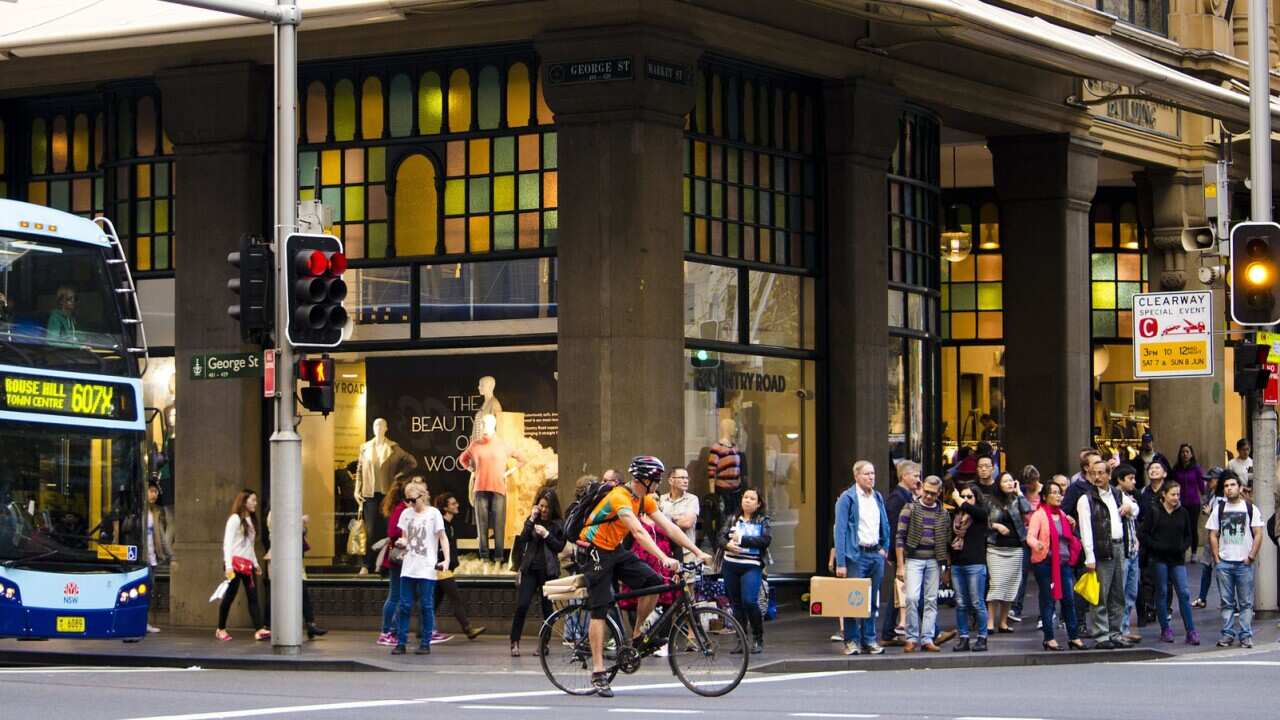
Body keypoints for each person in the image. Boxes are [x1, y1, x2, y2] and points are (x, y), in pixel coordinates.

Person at [577, 456, 710, 698]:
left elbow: (669, 528)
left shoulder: (644, 499)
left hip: (614, 549)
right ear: (644, 479)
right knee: (601, 607)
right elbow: (638, 532)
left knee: (655, 583)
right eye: (656, 480)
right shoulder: (619, 497)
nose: (658, 484)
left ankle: (636, 635)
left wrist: (698, 551)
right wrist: (663, 558)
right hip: (593, 549)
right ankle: (598, 672)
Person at [1077, 455, 1137, 649]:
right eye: (1093, 473)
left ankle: (1115, 632)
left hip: (1120, 546)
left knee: (1118, 593)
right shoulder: (1086, 499)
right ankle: (1102, 635)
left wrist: (1129, 507)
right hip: (1101, 549)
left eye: (1101, 473)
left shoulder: (1117, 494)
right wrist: (1089, 556)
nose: (1097, 477)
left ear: (1109, 475)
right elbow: (1086, 530)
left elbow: (1136, 509)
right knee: (1101, 595)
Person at [835, 460, 891, 656]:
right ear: (856, 476)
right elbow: (840, 531)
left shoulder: (877, 497)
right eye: (867, 474)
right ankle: (851, 640)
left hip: (875, 554)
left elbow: (885, 523)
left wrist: (884, 547)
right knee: (853, 600)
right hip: (856, 555)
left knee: (872, 600)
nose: (871, 477)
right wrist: (841, 562)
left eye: (873, 473)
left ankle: (869, 640)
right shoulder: (847, 498)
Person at [1205, 471, 1264, 648]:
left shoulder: (1250, 508)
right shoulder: (1219, 509)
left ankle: (1245, 635)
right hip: (1225, 562)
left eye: (1232, 485)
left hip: (1244, 563)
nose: (1229, 489)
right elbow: (1213, 534)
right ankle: (1227, 634)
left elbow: (1258, 533)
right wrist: (1217, 557)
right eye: (1226, 486)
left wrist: (1251, 555)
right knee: (1226, 602)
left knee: (1246, 602)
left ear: (1239, 487)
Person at [391, 480, 449, 655]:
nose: (410, 504)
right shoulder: (406, 514)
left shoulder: (434, 514)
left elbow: (442, 537)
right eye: (407, 500)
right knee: (405, 605)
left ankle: (425, 642)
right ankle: (401, 642)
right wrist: (402, 543)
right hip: (409, 566)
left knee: (426, 605)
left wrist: (446, 560)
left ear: (422, 497)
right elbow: (405, 537)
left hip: (427, 566)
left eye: (413, 500)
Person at [895, 475, 950, 653]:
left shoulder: (943, 513)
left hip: (934, 559)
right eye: (926, 492)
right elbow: (899, 537)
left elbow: (946, 541)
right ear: (922, 488)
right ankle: (911, 637)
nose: (928, 496)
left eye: (933, 493)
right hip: (914, 558)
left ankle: (927, 638)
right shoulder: (910, 508)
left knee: (931, 600)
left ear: (939, 493)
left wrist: (946, 566)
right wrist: (900, 565)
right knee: (911, 598)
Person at [1026, 481, 1083, 650]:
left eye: (1060, 493)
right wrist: (1037, 545)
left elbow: (1068, 536)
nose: (1058, 496)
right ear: (1045, 496)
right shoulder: (1039, 515)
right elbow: (1030, 536)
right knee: (1048, 601)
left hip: (1063, 563)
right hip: (1045, 563)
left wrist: (1072, 523)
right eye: (1054, 493)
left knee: (1068, 600)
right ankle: (1049, 638)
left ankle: (1073, 637)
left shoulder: (1063, 515)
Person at [1138, 481, 1197, 645]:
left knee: (1184, 593)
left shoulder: (1183, 512)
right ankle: (1165, 628)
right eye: (1173, 494)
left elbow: (1188, 535)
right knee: (1162, 592)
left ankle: (1191, 630)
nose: (1176, 498)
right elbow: (1143, 534)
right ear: (1164, 494)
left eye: (1178, 494)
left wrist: (1183, 547)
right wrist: (1156, 546)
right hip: (1159, 559)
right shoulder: (1154, 511)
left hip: (1177, 559)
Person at [510, 488, 566, 656]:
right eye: (541, 506)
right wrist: (531, 519)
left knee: (547, 609)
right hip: (530, 569)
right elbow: (524, 537)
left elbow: (560, 546)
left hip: (548, 572)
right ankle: (514, 642)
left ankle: (544, 644)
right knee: (522, 605)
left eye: (547, 507)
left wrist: (547, 535)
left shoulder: (558, 524)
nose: (543, 510)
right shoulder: (533, 520)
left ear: (552, 508)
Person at [720, 488, 771, 654]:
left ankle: (758, 637)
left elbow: (764, 540)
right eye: (745, 497)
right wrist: (727, 544)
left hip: (751, 565)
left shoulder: (763, 520)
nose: (747, 500)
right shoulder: (733, 518)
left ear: (758, 504)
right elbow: (720, 537)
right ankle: (741, 640)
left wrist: (741, 539)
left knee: (749, 601)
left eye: (752, 498)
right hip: (730, 565)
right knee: (736, 604)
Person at [432, 492, 485, 644]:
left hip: (445, 567)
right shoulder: (441, 525)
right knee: (455, 598)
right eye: (453, 504)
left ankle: (424, 629)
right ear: (445, 508)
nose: (457, 505)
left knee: (434, 601)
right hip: (442, 568)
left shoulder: (449, 525)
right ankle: (468, 629)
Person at [216, 489, 268, 642]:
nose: (255, 503)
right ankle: (220, 628)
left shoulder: (251, 520)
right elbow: (227, 543)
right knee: (230, 596)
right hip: (234, 565)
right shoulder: (234, 519)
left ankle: (259, 630)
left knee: (253, 597)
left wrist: (256, 563)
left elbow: (249, 546)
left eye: (256, 500)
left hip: (247, 565)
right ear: (244, 501)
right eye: (253, 500)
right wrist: (228, 565)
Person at [877, 461, 918, 646]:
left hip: (902, 553)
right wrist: (895, 557)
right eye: (916, 476)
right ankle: (929, 632)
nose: (918, 480)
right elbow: (894, 529)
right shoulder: (897, 498)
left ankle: (888, 632)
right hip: (901, 553)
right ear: (904, 476)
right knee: (907, 593)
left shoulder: (907, 496)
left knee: (900, 593)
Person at [986, 472, 1030, 634]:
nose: (1010, 483)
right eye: (1005, 481)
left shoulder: (1017, 499)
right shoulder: (990, 501)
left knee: (1011, 586)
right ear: (999, 484)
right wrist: (996, 526)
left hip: (1016, 547)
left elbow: (1028, 510)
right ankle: (990, 622)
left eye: (1012, 480)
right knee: (997, 585)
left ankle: (1003, 622)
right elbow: (986, 521)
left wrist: (1019, 493)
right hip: (996, 548)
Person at [948, 484, 989, 652]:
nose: (965, 500)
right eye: (963, 496)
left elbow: (977, 512)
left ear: (976, 498)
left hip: (975, 564)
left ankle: (982, 637)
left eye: (969, 496)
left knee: (977, 602)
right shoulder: (955, 517)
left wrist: (959, 499)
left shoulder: (980, 515)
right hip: (958, 565)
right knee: (961, 603)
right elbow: (949, 542)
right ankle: (963, 637)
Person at [376, 478, 410, 647]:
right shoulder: (401, 509)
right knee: (395, 595)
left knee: (400, 595)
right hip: (397, 559)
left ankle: (393, 630)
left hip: (403, 560)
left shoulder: (404, 508)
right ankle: (386, 631)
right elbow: (392, 531)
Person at [1113, 465, 1142, 643]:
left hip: (1132, 550)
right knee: (1120, 593)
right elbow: (1125, 511)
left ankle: (1124, 628)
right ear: (1120, 480)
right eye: (1130, 478)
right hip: (1122, 551)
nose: (1134, 482)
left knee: (1131, 593)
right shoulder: (1113, 497)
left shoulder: (1129, 497)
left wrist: (1130, 507)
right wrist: (1129, 507)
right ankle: (1116, 630)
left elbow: (1136, 510)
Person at [1192, 467, 1223, 609]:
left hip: (1219, 539)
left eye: (1211, 480)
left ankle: (1226, 601)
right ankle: (1202, 598)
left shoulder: (1222, 497)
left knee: (1221, 571)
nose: (1208, 483)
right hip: (1211, 537)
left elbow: (1221, 519)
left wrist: (1209, 512)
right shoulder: (1213, 495)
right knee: (1206, 568)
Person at [144, 480, 172, 634]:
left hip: (152, 557)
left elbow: (160, 535)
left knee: (149, 590)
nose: (153, 494)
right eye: (150, 491)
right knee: (144, 590)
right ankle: (142, 622)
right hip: (141, 559)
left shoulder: (156, 512)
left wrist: (169, 555)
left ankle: (145, 622)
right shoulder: (139, 511)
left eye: (155, 491)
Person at [1171, 444, 1206, 556]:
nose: (1185, 454)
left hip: (1194, 502)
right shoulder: (1176, 469)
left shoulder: (1196, 468)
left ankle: (1194, 552)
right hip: (1179, 502)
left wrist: (1204, 498)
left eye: (1187, 452)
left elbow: (1201, 485)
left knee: (1192, 527)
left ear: (1191, 454)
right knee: (1180, 526)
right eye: (1183, 452)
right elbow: (1172, 484)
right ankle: (1181, 551)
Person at [659, 466, 699, 550]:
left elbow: (686, 523)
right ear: (671, 480)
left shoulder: (692, 499)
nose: (686, 481)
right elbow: (655, 524)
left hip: (686, 550)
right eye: (682, 478)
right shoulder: (662, 498)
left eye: (687, 478)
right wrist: (676, 518)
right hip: (665, 549)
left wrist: (665, 518)